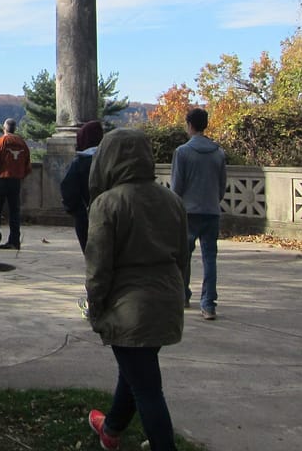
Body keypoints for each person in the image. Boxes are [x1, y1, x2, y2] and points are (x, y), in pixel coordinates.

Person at [85, 128, 188, 451]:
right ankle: (111, 429)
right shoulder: (171, 200)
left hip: (128, 305)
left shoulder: (107, 203)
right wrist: (181, 293)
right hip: (166, 299)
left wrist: (95, 306)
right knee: (135, 371)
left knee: (147, 387)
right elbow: (183, 256)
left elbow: (99, 266)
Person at [170, 107, 227, 321]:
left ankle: (183, 295)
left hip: (188, 211)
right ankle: (209, 304)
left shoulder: (182, 152)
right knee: (209, 258)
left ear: (189, 125)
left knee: (183, 256)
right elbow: (222, 185)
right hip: (211, 211)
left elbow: (177, 186)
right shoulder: (218, 152)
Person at [0, 118, 32, 249]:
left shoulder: (0, 142)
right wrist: (21, 175)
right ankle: (14, 241)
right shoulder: (22, 143)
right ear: (14, 129)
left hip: (1, 179)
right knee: (14, 211)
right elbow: (28, 163)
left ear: (4, 128)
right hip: (15, 181)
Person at [60, 120, 105, 253]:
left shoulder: (80, 162)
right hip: (112, 214)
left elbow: (68, 188)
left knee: (92, 253)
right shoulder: (110, 160)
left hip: (86, 214)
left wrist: (76, 211)